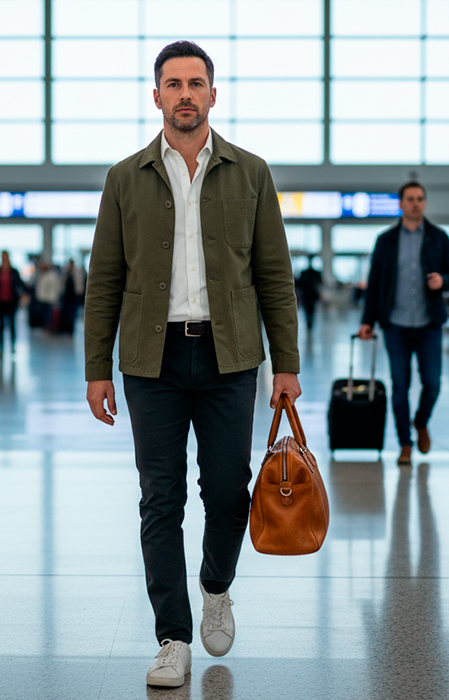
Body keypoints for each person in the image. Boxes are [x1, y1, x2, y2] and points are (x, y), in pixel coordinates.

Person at [84, 40, 300, 689]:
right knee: (161, 497)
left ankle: (215, 587)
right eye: (173, 84)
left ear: (212, 94)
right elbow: (104, 280)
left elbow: (275, 275)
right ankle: (172, 637)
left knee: (229, 491)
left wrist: (285, 363)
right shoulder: (125, 177)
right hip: (150, 360)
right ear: (156, 96)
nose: (185, 94)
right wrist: (97, 368)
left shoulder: (251, 172)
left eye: (195, 83)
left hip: (229, 355)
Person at [357, 181, 449, 467]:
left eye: (420, 199)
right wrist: (367, 321)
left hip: (429, 324)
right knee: (400, 386)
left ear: (424, 203)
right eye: (410, 199)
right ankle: (405, 444)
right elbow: (375, 283)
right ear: (401, 204)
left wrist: (444, 280)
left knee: (433, 383)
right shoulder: (386, 240)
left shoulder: (439, 238)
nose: (416, 204)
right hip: (395, 324)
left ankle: (421, 421)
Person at [0, 251, 28, 354]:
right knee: (0, 325)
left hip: (12, 302)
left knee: (12, 324)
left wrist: (24, 294)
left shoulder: (13, 271)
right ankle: (1, 347)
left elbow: (20, 284)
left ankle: (12, 346)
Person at [32, 262, 61, 332]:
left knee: (48, 314)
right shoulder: (41, 275)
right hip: (43, 298)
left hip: (49, 298)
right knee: (44, 314)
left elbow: (54, 288)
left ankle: (48, 326)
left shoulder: (52, 276)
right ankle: (45, 326)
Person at [295, 259, 323, 330]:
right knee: (311, 310)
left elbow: (299, 283)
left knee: (308, 310)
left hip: (307, 295)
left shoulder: (305, 273)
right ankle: (310, 324)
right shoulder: (315, 273)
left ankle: (309, 324)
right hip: (310, 295)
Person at [60, 259, 85, 334]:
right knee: (66, 313)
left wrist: (79, 294)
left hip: (73, 297)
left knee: (72, 314)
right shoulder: (66, 273)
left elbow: (79, 284)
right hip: (66, 297)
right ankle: (65, 329)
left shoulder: (76, 273)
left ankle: (70, 330)